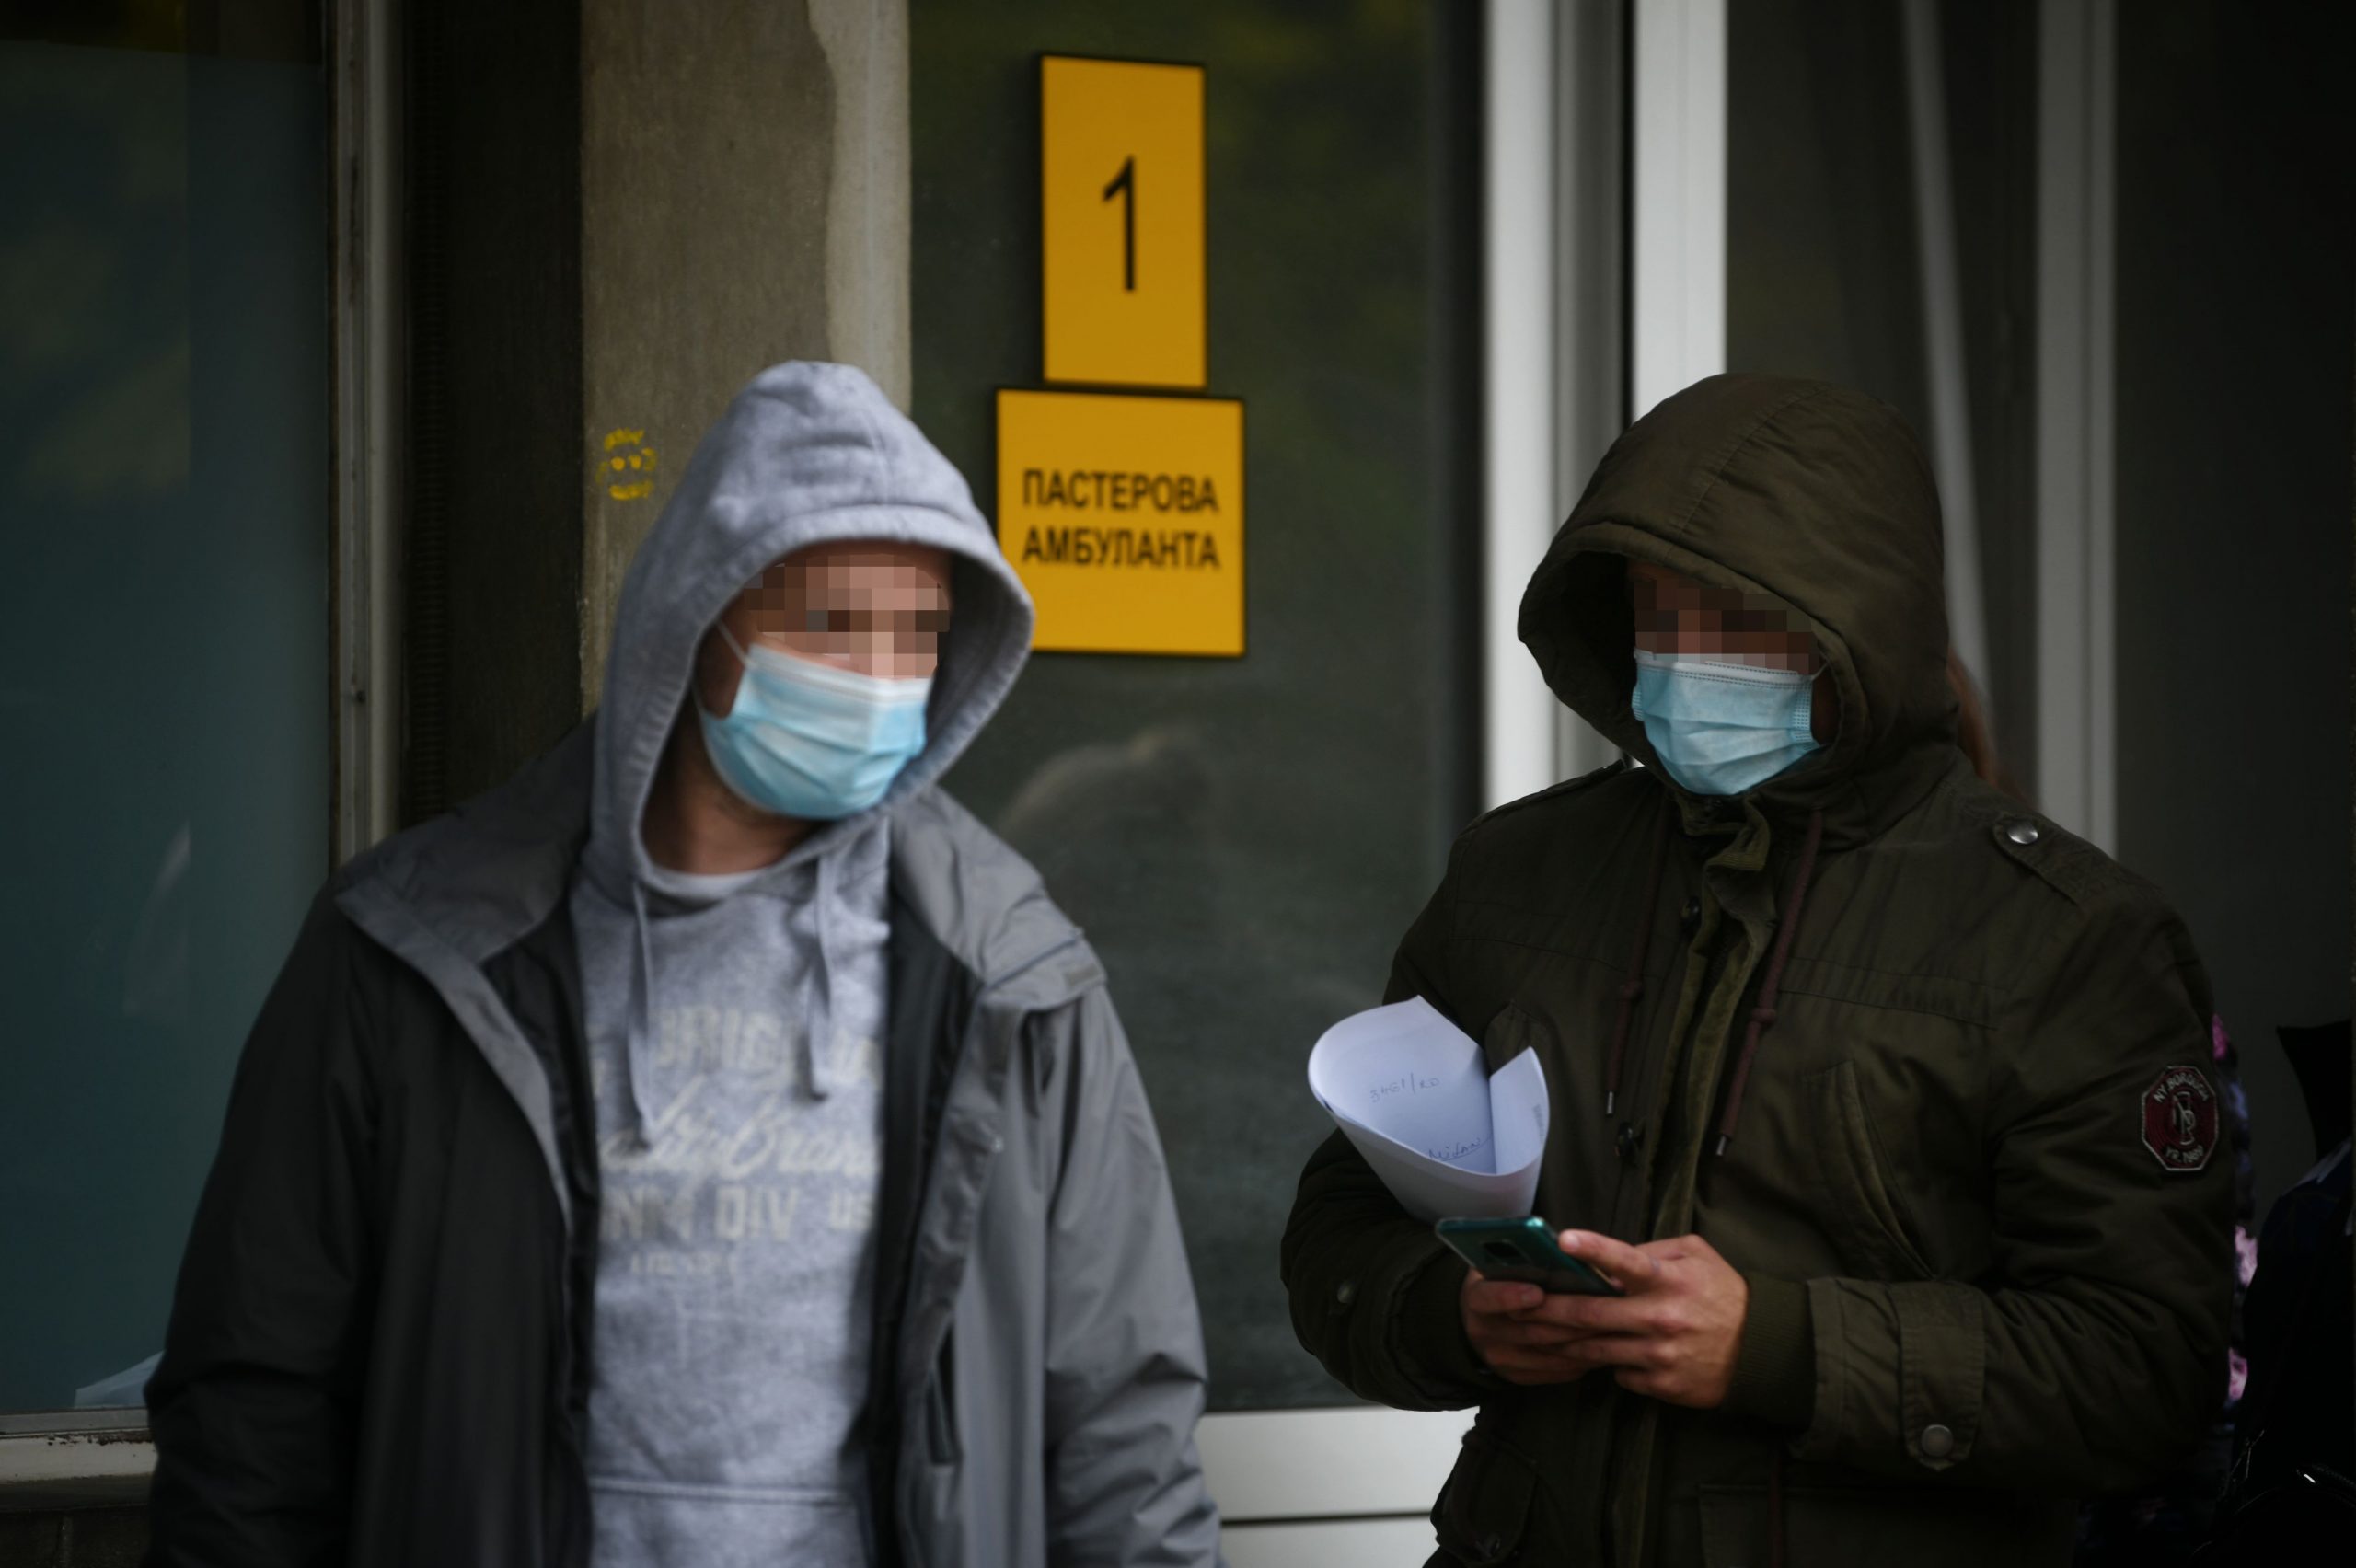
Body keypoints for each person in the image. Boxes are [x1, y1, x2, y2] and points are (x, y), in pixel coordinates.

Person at [145, 362, 1223, 1568]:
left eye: (916, 633)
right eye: (827, 623)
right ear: (695, 627)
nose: (876, 680)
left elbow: (1123, 1419)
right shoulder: (414, 950)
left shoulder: (1015, 975)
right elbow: (255, 1408)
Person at [1282, 374, 2234, 1566]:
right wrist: (1453, 1312)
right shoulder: (1519, 874)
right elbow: (1339, 1227)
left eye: (1736, 622)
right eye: (1656, 616)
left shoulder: (2067, 940)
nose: (1686, 663)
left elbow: (2148, 1369)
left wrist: (1779, 1348)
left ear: (1860, 629)